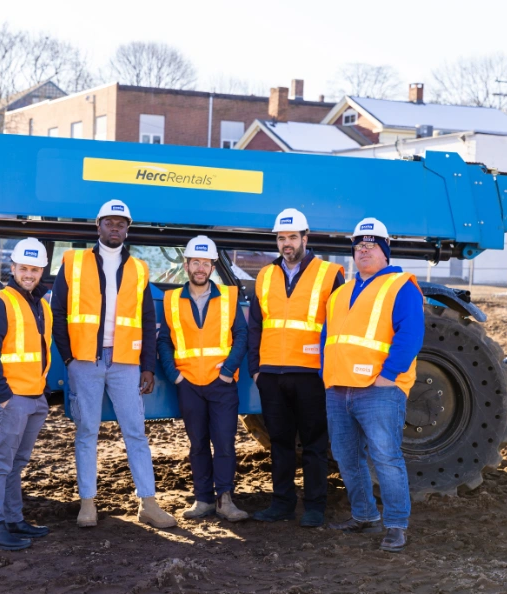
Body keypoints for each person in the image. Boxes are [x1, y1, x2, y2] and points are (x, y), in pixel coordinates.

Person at [52, 199, 177, 529]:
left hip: (125, 362)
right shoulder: (73, 262)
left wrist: (147, 365)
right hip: (84, 361)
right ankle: (88, 505)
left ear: (127, 229)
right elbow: (59, 313)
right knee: (87, 432)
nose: (115, 227)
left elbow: (148, 319)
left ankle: (148, 503)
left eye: (121, 223)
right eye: (109, 222)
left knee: (136, 432)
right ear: (98, 226)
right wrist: (68, 357)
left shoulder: (138, 268)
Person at [323, 217, 425, 553]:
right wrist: (328, 373)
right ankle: (365, 516)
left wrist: (388, 376)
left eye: (371, 245)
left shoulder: (401, 286)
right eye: (358, 246)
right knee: (346, 457)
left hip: (378, 389)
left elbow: (410, 335)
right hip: (339, 389)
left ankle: (396, 525)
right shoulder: (340, 293)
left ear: (384, 252)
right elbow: (329, 337)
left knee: (386, 458)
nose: (363, 251)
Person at [247, 209, 344, 527]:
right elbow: (256, 327)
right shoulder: (264, 276)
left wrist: (330, 370)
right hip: (272, 375)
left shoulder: (330, 274)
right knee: (281, 443)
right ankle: (282, 504)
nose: (286, 243)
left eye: (291, 237)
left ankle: (314, 507)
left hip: (311, 373)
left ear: (305, 238)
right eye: (280, 238)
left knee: (315, 443)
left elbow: (339, 327)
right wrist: (256, 371)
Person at [157, 236, 250, 522]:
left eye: (205, 263)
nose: (200, 267)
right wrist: (175, 377)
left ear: (212, 267)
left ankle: (225, 500)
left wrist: (227, 371)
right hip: (189, 386)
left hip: (221, 384)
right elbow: (163, 342)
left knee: (224, 443)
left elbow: (242, 336)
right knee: (197, 444)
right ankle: (203, 500)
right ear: (186, 265)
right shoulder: (172, 299)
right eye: (195, 262)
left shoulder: (228, 297)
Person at [0, 238, 53, 551]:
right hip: (10, 399)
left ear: (41, 272)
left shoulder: (43, 305)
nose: (29, 274)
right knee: (0, 463)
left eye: (35, 269)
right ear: (13, 268)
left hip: (34, 398)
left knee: (17, 462)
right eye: (24, 268)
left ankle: (13, 519)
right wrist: (3, 395)